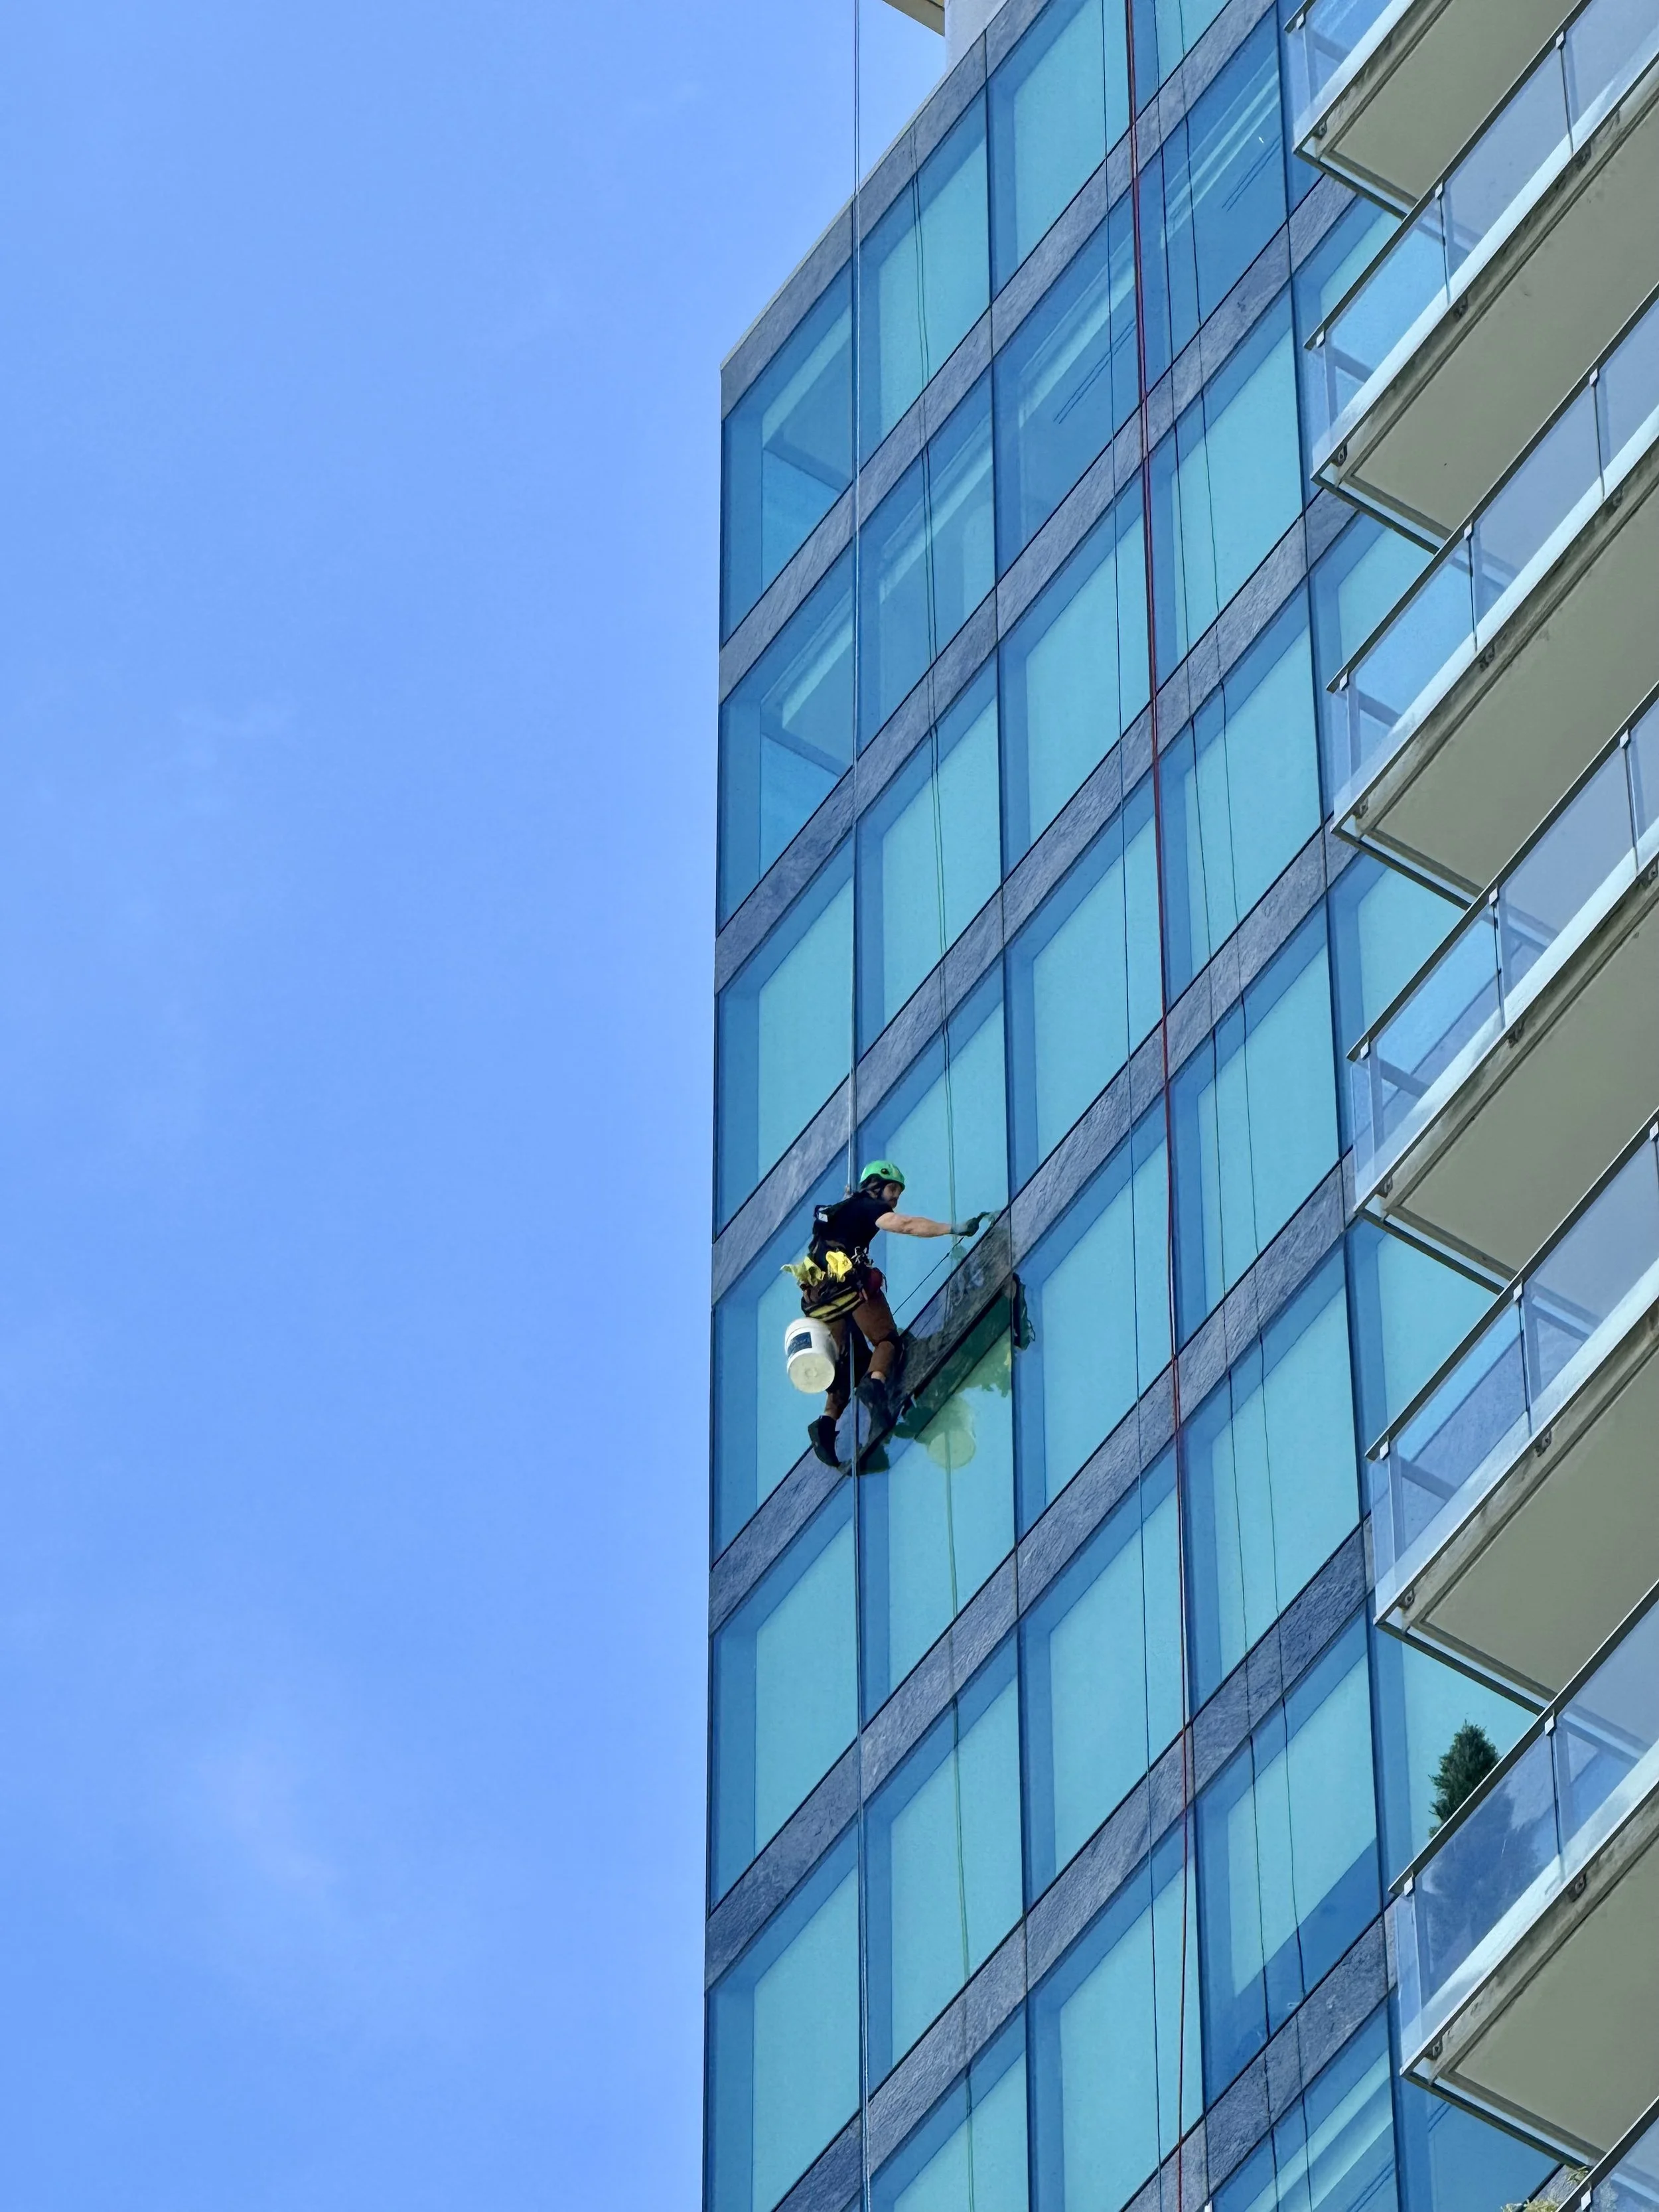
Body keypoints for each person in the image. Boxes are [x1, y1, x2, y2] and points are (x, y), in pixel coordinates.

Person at [795, 1159, 987, 1469]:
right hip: (847, 1288)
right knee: (887, 1342)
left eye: (898, 1191)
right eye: (893, 1189)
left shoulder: (840, 1209)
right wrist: (953, 1229)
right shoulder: (869, 1207)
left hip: (818, 1300)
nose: (896, 1197)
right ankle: (876, 1388)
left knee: (846, 1366)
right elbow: (905, 1225)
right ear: (874, 1186)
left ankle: (826, 1425)